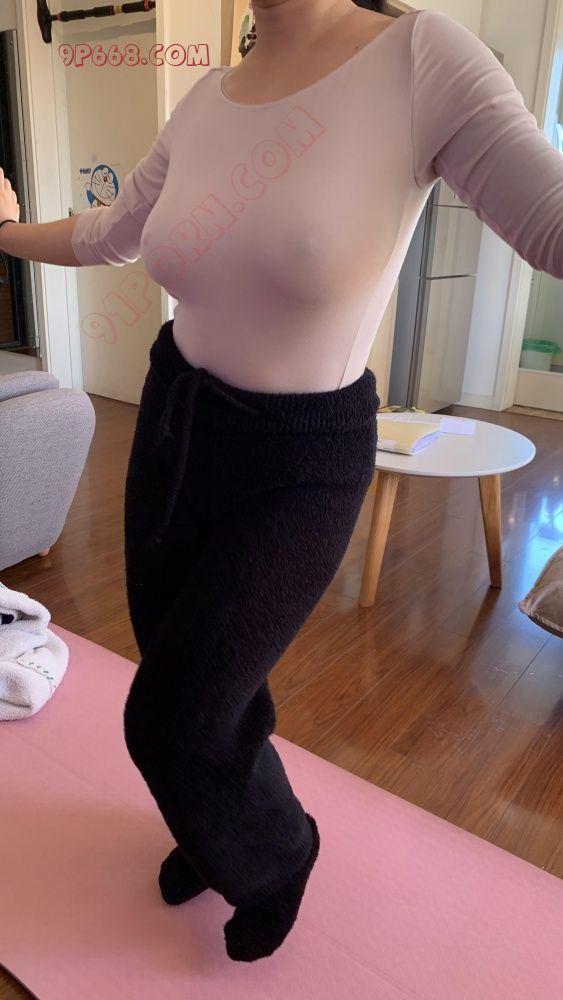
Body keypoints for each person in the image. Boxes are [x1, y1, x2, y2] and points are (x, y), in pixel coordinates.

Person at [1, 0, 562, 965]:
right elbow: (109, 234)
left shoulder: (423, 58)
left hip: (298, 461)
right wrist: (4, 230)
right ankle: (211, 826)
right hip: (175, 423)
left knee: (173, 714)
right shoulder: (205, 100)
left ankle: (276, 854)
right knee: (204, 678)